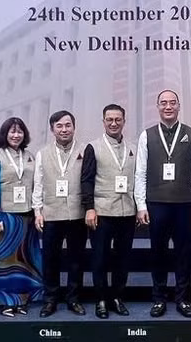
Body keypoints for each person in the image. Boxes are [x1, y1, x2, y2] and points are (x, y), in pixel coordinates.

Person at [134, 89, 191, 318]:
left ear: (178, 106)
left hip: (185, 204)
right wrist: (141, 205)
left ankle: (183, 299)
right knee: (158, 253)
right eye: (163, 103)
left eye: (172, 103)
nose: (168, 106)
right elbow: (141, 172)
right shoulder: (147, 135)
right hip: (156, 204)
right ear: (157, 106)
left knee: (183, 253)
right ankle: (159, 299)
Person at [0, 117, 44, 317]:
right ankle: (6, 302)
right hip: (5, 217)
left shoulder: (30, 156)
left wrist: (38, 211)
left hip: (27, 215)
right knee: (5, 261)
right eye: (12, 132)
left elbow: (38, 185)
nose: (16, 135)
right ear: (5, 134)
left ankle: (22, 300)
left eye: (20, 132)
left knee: (25, 260)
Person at [80, 104, 137, 319]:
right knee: (100, 258)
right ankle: (101, 299)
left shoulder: (133, 147)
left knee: (123, 259)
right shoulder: (93, 147)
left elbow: (139, 179)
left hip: (127, 212)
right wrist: (90, 209)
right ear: (103, 122)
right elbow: (86, 180)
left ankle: (116, 297)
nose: (114, 123)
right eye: (109, 119)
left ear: (124, 121)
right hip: (102, 213)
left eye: (118, 119)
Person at [32, 110, 88, 317]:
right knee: (51, 259)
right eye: (59, 126)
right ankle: (50, 300)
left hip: (77, 214)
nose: (64, 129)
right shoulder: (42, 153)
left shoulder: (85, 150)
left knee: (76, 259)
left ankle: (73, 299)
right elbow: (38, 184)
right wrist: (37, 211)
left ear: (74, 127)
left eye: (68, 125)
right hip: (51, 214)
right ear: (52, 129)